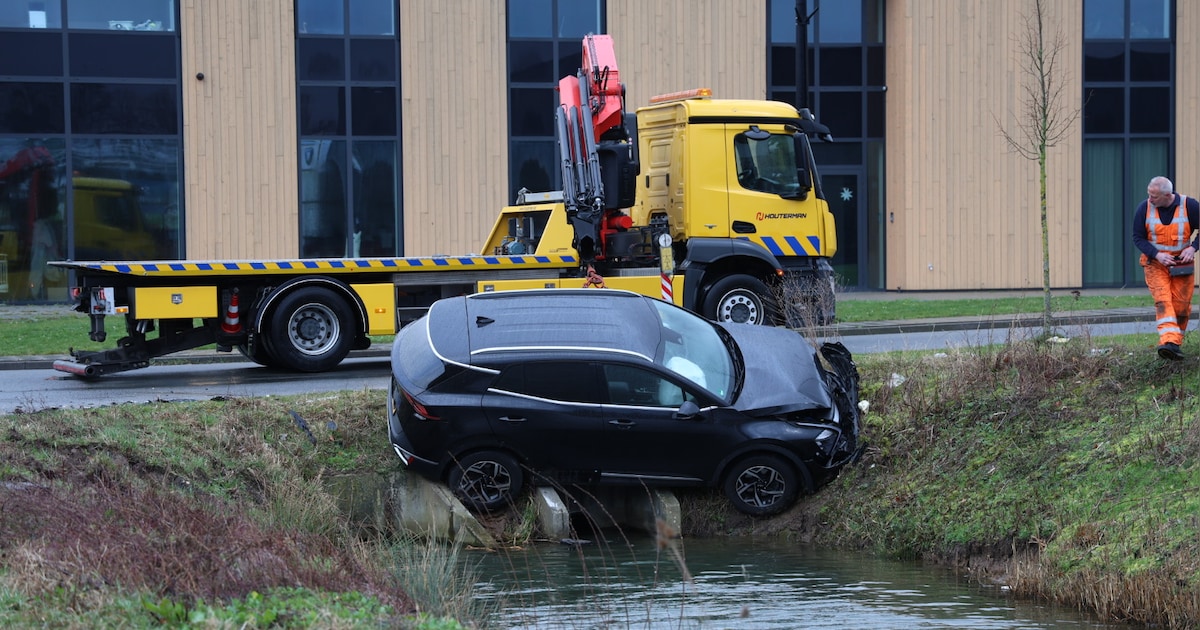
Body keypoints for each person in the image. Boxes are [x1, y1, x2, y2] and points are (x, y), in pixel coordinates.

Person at [1132, 176, 1199, 360]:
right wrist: (1157, 254)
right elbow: (1138, 237)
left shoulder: (1190, 206)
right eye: (1149, 194)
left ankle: (1174, 345)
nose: (1150, 199)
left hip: (1181, 265)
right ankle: (1168, 341)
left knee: (1182, 306)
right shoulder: (1143, 208)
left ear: (1167, 195)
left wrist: (1193, 248)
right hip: (1155, 263)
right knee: (1163, 301)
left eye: (1154, 196)